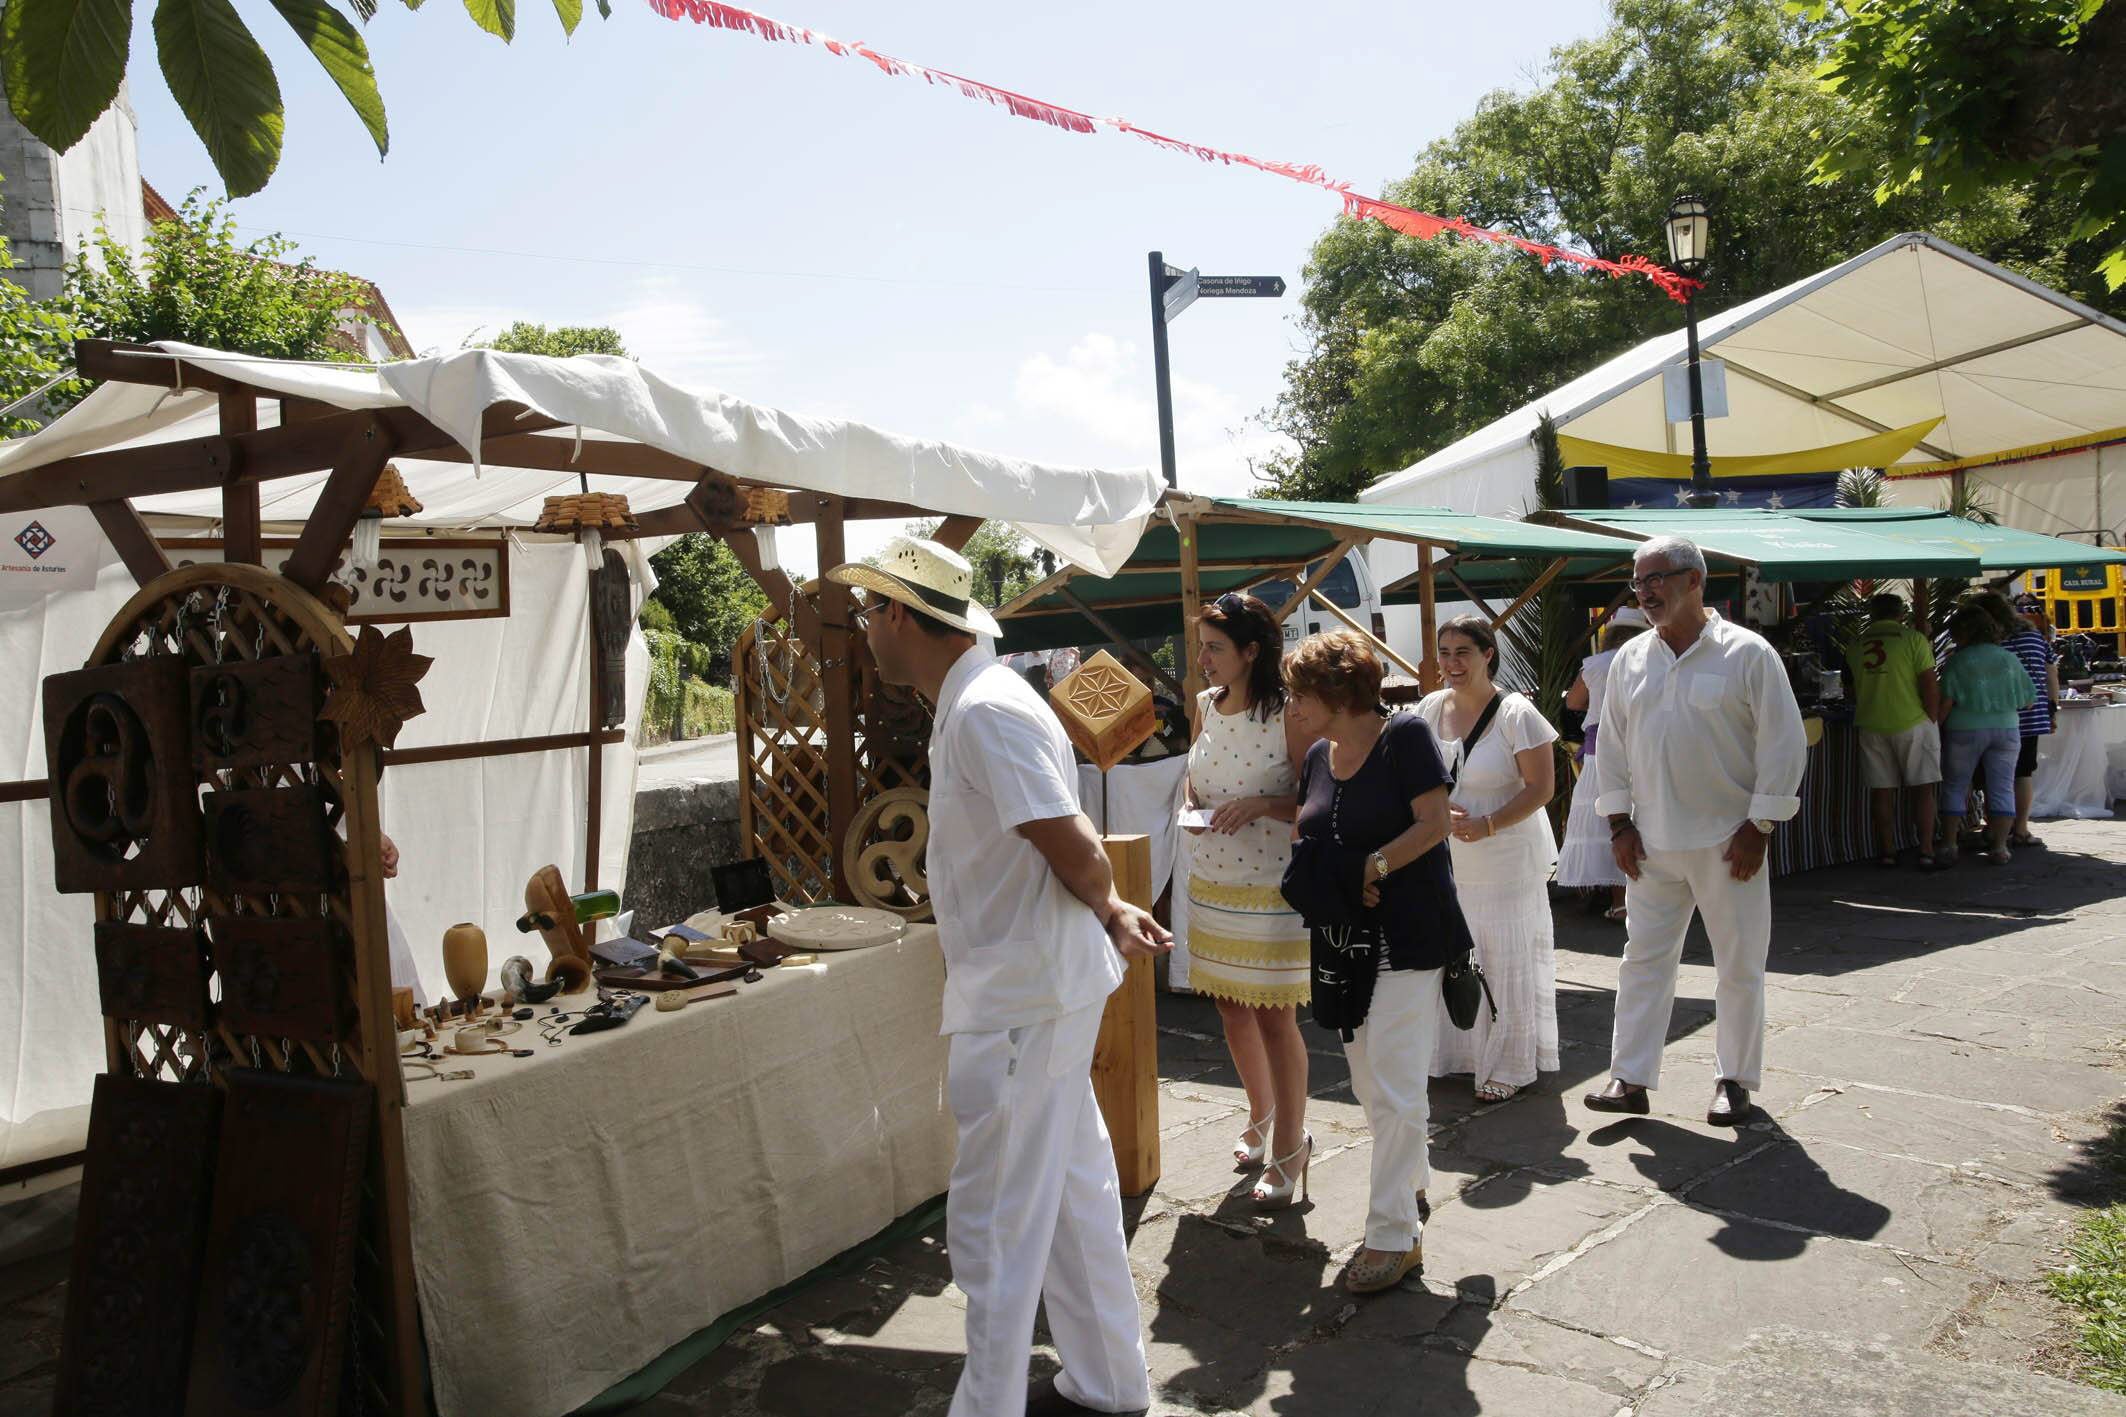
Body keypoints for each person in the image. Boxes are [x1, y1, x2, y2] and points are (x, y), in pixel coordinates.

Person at [827, 535, 1168, 1417]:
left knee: (997, 1219)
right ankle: (1108, 1378)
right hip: (1030, 984)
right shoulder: (977, 700)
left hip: (1025, 995)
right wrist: (1103, 909)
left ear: (901, 615)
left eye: (871, 610)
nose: (866, 628)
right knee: (1069, 1195)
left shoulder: (983, 707)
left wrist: (1106, 903)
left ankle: (989, 1406)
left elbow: (1065, 835)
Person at [1587, 536, 1807, 1128]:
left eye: (1657, 578)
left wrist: (1760, 824)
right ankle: (1629, 1077)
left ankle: (1733, 1080)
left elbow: (1782, 744)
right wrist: (1618, 824)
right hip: (1652, 843)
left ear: (1694, 581)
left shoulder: (1748, 654)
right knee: (1643, 960)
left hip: (1728, 840)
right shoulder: (1632, 659)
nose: (1647, 591)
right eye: (1639, 582)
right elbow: (1610, 749)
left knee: (1738, 963)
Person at [1284, 630, 1460, 1295]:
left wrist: (1372, 865)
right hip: (1346, 944)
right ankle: (1411, 1182)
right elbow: (1312, 827)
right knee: (1370, 1083)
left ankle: (1392, 1233)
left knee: (1393, 1083)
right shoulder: (1320, 756)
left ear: (1336, 691)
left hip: (1408, 937)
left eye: (1301, 692)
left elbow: (1435, 822)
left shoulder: (1405, 736)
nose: (1294, 705)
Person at [1179, 592, 1315, 1206]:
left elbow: (1318, 800)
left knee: (1273, 1015)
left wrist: (1262, 805)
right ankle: (1260, 1116)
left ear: (1250, 651)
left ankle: (1291, 1143)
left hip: (1271, 887)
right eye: (1201, 645)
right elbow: (1195, 777)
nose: (1202, 658)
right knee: (1231, 1008)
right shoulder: (1206, 705)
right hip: (1213, 881)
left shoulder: (1288, 712)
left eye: (1214, 647)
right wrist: (1189, 807)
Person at [1414, 615, 1559, 1103]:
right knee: (1452, 955)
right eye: (1446, 653)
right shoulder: (1430, 708)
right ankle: (1457, 1054)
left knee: (1502, 958)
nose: (1453, 663)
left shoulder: (1517, 713)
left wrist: (1488, 823)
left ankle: (1509, 1064)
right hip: (1448, 858)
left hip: (1505, 861)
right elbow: (1411, 774)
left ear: (1487, 654)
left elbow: (1543, 788)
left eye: (1463, 653)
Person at [1557, 609, 1650, 919]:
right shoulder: (1649, 661)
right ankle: (1646, 898)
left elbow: (1572, 702)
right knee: (1643, 821)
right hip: (1641, 750)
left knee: (1608, 823)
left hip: (1600, 754)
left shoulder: (1595, 665)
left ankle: (1620, 901)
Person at [1845, 592, 1942, 869]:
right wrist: (1932, 718)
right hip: (1912, 722)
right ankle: (1925, 849)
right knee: (1923, 789)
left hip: (1871, 724)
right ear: (1901, 614)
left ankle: (1887, 851)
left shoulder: (1856, 644)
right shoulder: (1913, 639)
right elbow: (1929, 682)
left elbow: (1849, 690)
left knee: (1881, 791)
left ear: (1872, 615)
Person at [1935, 603, 2035, 866]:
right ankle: (2000, 847)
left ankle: (1949, 844)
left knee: (1955, 785)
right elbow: (2028, 700)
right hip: (2006, 728)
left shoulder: (1957, 660)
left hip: (1964, 729)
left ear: (1963, 632)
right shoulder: (2008, 659)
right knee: (2002, 785)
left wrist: (1935, 728)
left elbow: (1945, 703)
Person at [2003, 592, 2060, 847]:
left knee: (1998, 772)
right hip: (2033, 714)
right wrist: (2053, 709)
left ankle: (1998, 828)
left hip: (2000, 714)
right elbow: (2052, 676)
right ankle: (2021, 829)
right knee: (2023, 772)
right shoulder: (2036, 637)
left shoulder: (1993, 641)